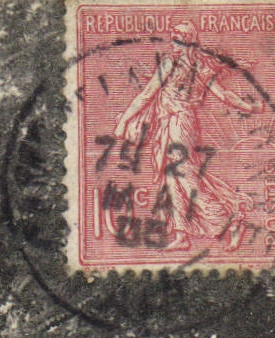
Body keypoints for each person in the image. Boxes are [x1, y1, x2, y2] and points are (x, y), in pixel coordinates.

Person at [110, 19, 263, 251]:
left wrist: (124, 119)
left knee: (185, 176)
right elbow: (223, 95)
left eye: (180, 41)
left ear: (190, 43)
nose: (174, 45)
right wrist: (249, 107)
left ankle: (230, 222)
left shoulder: (177, 65)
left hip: (179, 123)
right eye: (173, 39)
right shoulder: (200, 67)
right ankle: (182, 234)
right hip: (171, 123)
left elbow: (147, 95)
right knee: (171, 179)